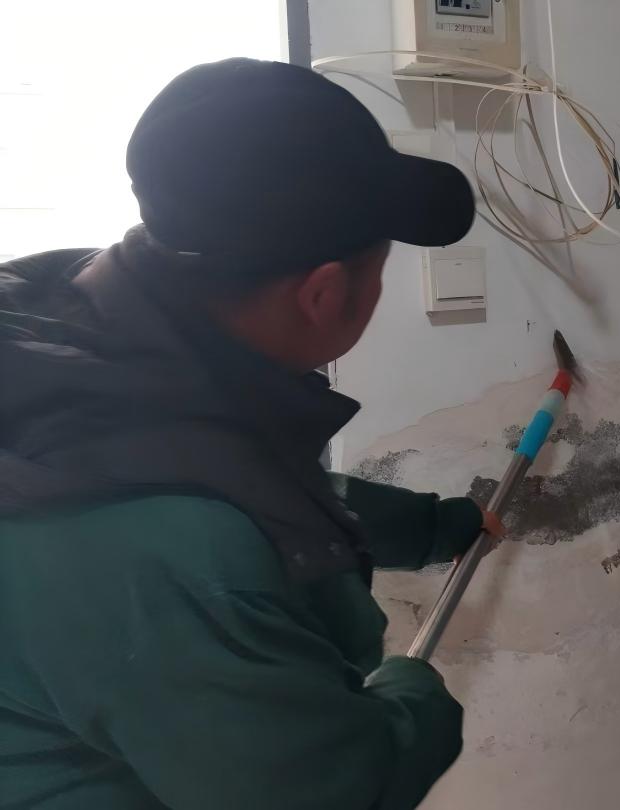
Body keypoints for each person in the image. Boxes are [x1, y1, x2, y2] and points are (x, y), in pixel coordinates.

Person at [0, 57, 503, 809]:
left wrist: (433, 527)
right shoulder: (181, 559)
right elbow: (335, 788)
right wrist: (414, 690)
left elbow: (238, 482)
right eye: (380, 270)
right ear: (324, 293)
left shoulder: (76, 333)